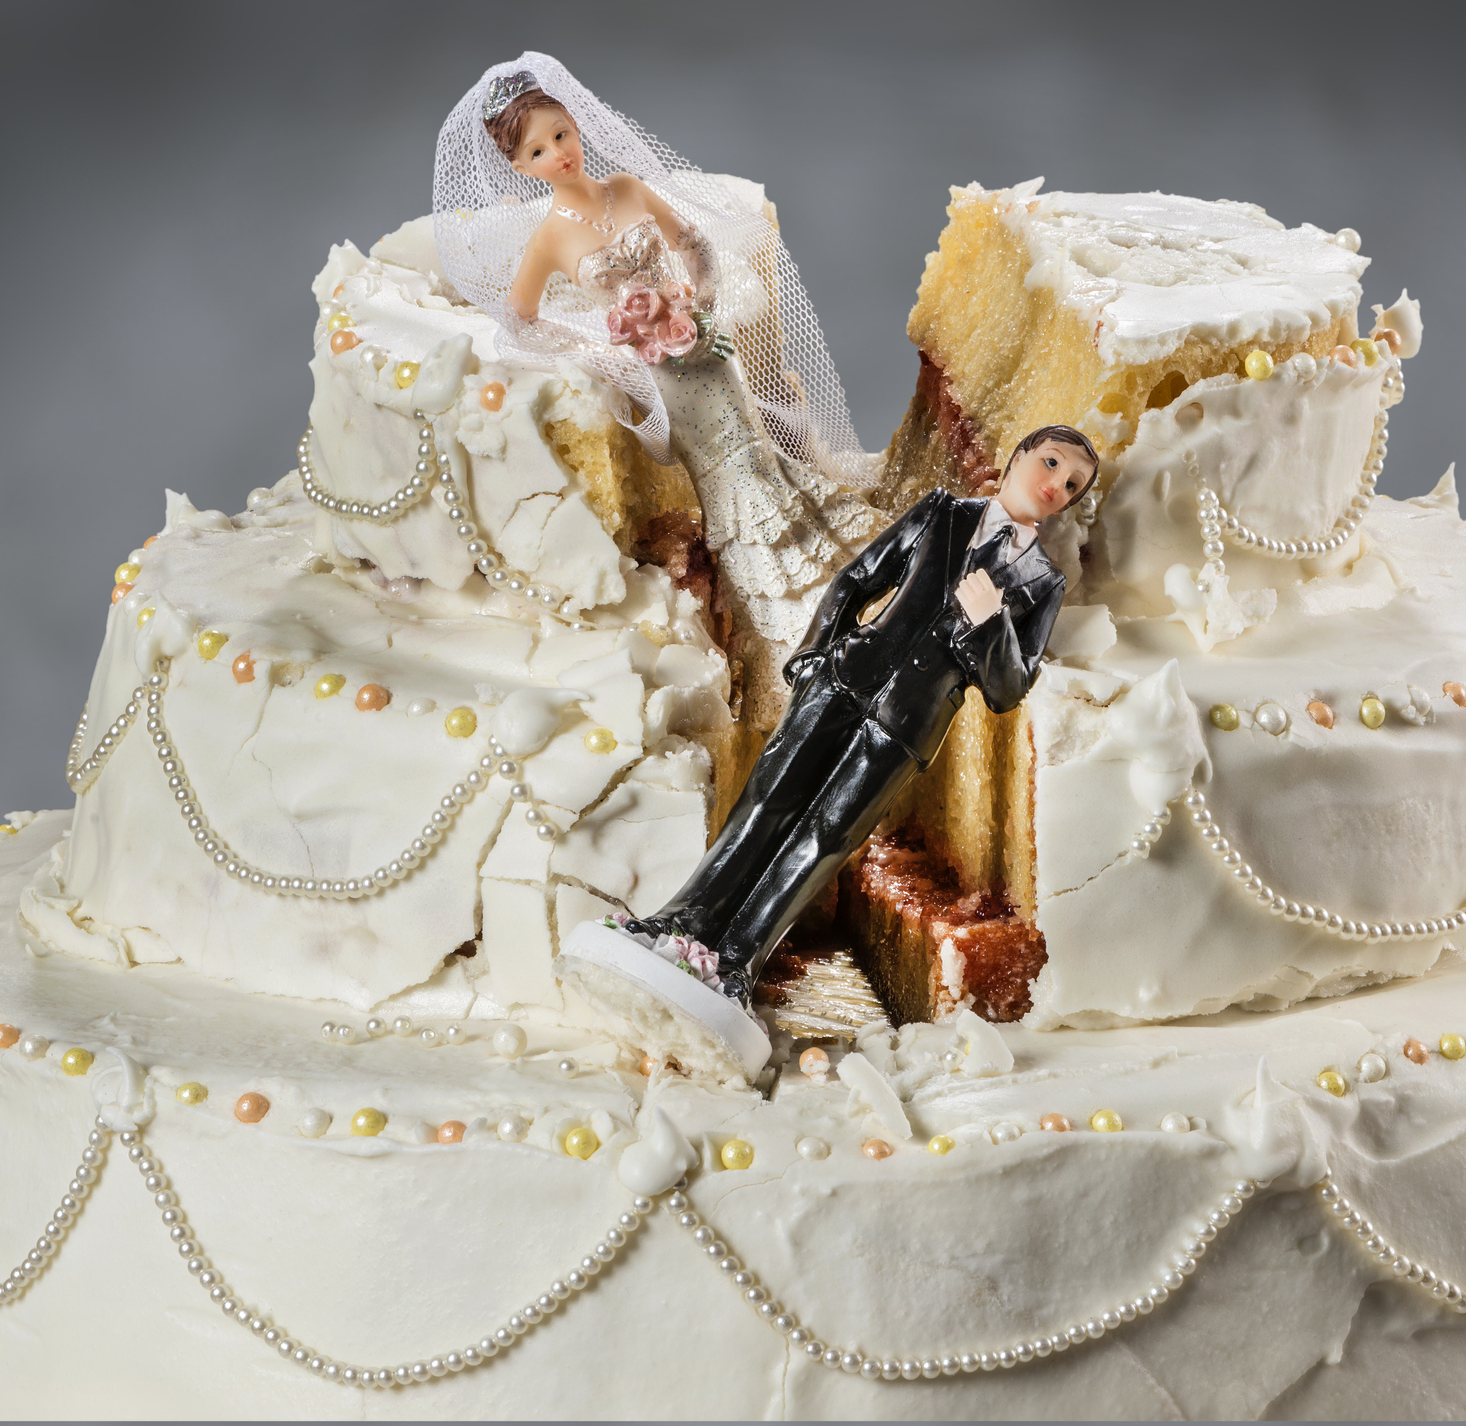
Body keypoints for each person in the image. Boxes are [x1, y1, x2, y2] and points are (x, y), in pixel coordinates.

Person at [560, 426, 1099, 1074]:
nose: (1055, 484)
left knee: (826, 837)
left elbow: (1009, 687)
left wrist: (990, 623)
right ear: (1017, 458)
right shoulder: (942, 512)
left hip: (907, 724)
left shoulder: (1041, 582)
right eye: (1050, 463)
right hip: (844, 680)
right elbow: (857, 578)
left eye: (1072, 484)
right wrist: (816, 656)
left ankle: (738, 959)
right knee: (767, 799)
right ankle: (681, 920)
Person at [434, 54, 879, 726]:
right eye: (538, 150)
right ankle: (789, 633)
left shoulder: (627, 188)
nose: (558, 153)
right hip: (659, 375)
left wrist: (699, 301)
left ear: (576, 125)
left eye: (561, 134)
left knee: (758, 458)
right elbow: (519, 317)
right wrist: (599, 346)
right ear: (520, 167)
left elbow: (693, 241)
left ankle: (837, 581)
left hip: (703, 349)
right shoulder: (548, 238)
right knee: (724, 485)